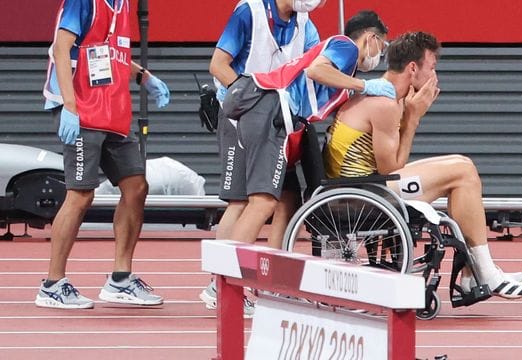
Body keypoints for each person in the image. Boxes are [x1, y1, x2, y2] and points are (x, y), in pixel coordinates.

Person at [323, 31, 522, 299]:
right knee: (462, 171)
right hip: (363, 193)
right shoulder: (384, 104)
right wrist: (412, 120)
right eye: (432, 67)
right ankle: (485, 273)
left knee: (462, 165)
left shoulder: (388, 95)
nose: (435, 76)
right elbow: (390, 169)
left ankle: (475, 274)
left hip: (364, 184)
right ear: (413, 68)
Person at [36, 0, 171, 309]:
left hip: (113, 111)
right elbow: (61, 48)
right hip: (81, 110)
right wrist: (69, 107)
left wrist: (144, 77)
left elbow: (112, 52)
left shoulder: (123, 5)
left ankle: (120, 280)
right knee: (81, 194)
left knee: (136, 186)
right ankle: (52, 284)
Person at [221, 10, 396, 246]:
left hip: (277, 117)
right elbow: (316, 70)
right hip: (271, 110)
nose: (380, 55)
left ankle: (272, 273)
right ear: (370, 38)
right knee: (263, 202)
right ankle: (227, 279)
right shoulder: (346, 47)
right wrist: (364, 86)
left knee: (289, 200)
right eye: (382, 47)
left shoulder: (344, 75)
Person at [201, 0, 326, 314]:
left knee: (287, 198)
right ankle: (222, 284)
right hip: (241, 118)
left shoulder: (304, 22)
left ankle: (275, 284)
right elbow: (218, 65)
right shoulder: (250, 12)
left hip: (279, 121)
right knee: (243, 201)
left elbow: (315, 66)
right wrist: (250, 97)